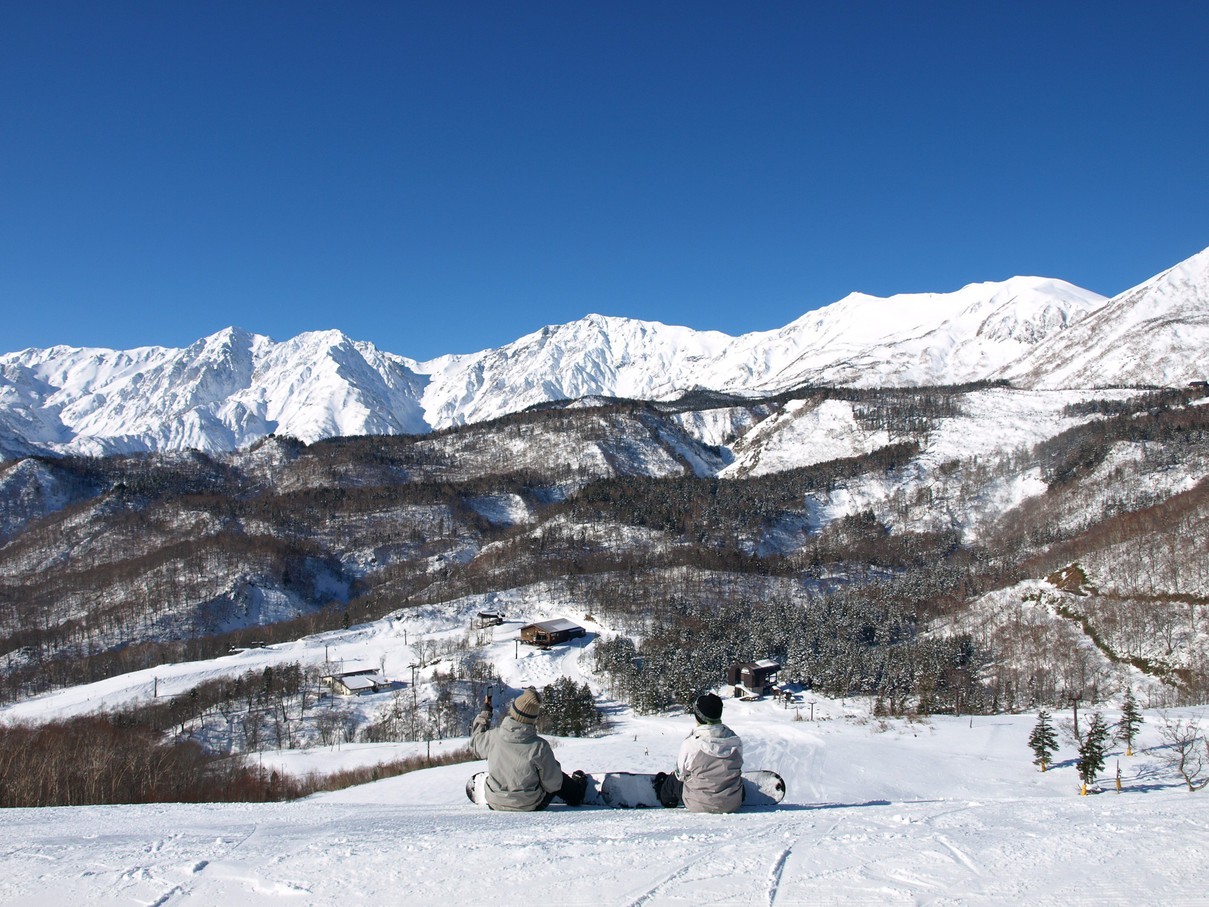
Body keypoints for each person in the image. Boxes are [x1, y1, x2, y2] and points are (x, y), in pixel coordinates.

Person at [470, 687, 587, 811]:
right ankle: (576, 793)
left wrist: (486, 711)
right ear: (533, 718)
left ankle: (502, 791)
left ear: (512, 711)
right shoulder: (539, 746)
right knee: (557, 776)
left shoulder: (492, 737)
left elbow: (476, 742)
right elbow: (553, 784)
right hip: (529, 805)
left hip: (494, 803)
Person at [654, 692, 743, 813]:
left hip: (698, 804)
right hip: (732, 804)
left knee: (673, 781)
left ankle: (665, 796)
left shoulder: (691, 744)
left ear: (698, 716)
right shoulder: (735, 741)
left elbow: (680, 775)